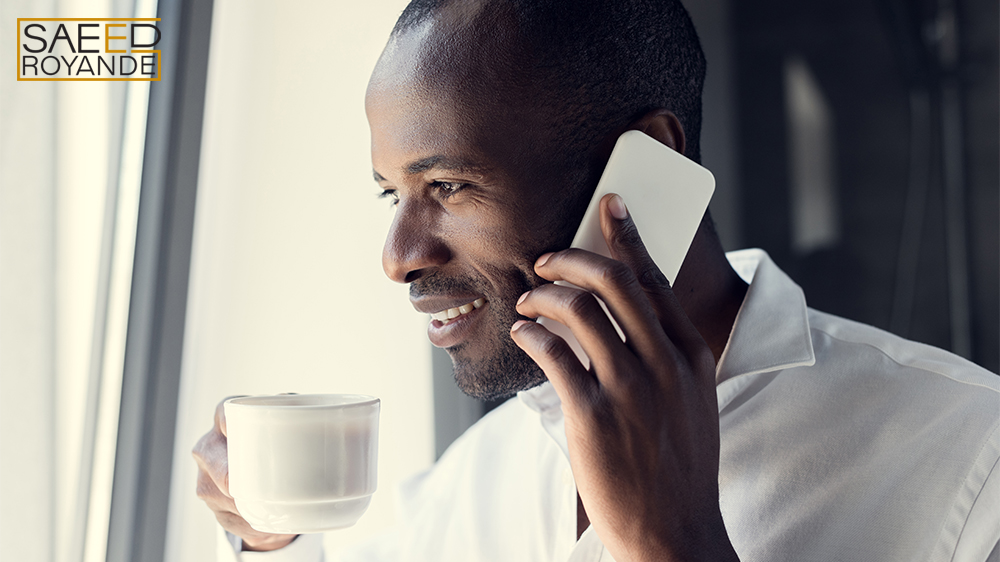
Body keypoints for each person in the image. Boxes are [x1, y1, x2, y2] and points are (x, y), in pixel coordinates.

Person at [192, 0, 1000, 560]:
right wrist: (269, 534)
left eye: (448, 188)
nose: (398, 255)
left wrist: (675, 548)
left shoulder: (973, 459)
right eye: (391, 194)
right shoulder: (484, 472)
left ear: (642, 165)